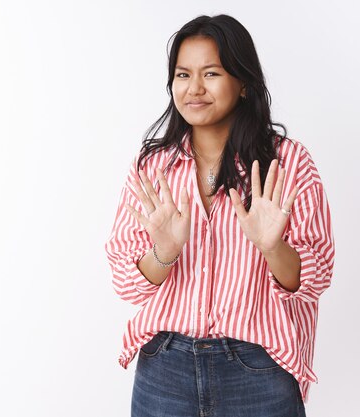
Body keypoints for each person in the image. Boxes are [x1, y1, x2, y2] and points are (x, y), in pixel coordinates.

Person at [105, 14, 334, 417]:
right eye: (182, 74)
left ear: (242, 82)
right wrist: (165, 252)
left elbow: (314, 278)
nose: (194, 89)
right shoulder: (153, 167)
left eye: (210, 73)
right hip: (165, 367)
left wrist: (271, 246)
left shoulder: (289, 163)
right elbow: (127, 283)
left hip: (258, 368)